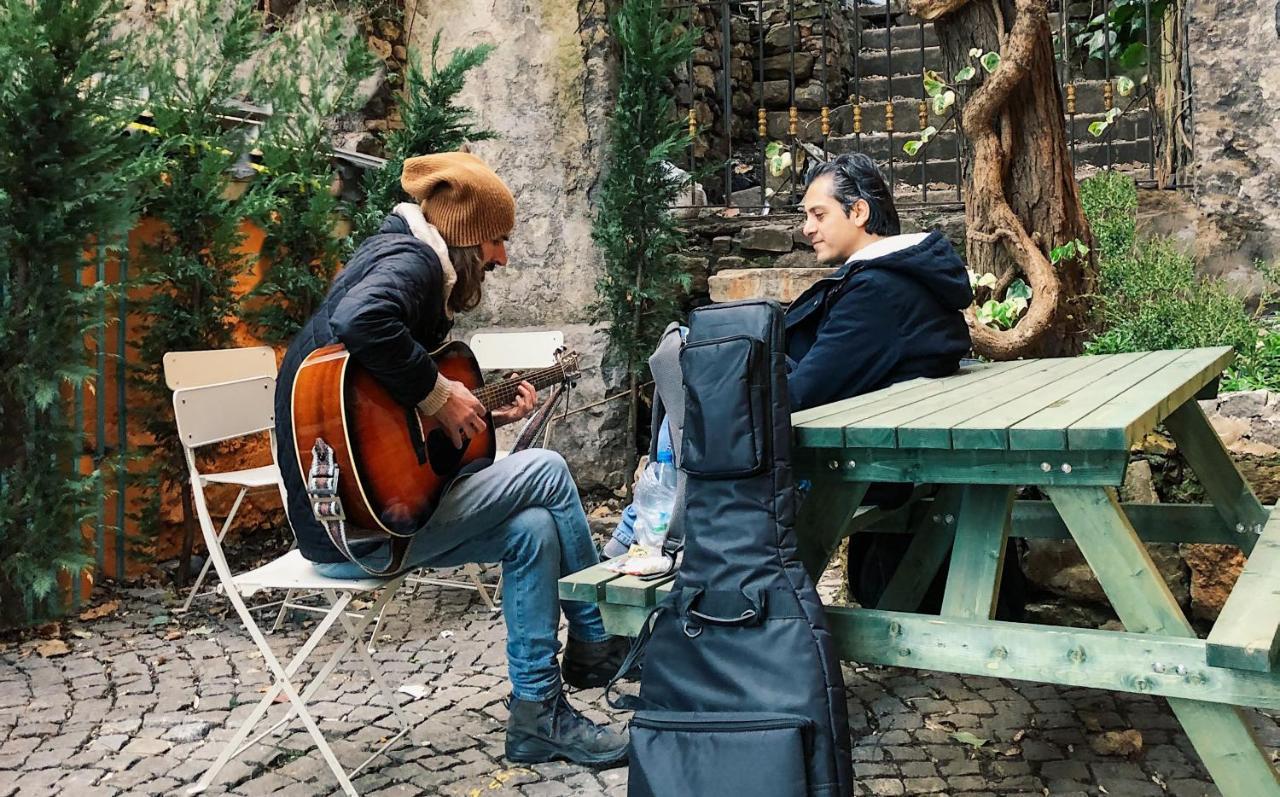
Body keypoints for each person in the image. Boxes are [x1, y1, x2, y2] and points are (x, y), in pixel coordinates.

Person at [273, 151, 629, 768]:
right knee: (546, 471)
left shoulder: (391, 259)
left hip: (365, 518)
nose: (502, 258)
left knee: (533, 529)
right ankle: (597, 640)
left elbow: (388, 432)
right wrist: (440, 394)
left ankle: (537, 715)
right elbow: (364, 324)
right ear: (464, 238)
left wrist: (476, 413)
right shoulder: (409, 263)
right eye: (496, 240)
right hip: (355, 533)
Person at [605, 154, 1011, 610]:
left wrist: (739, 367)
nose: (807, 228)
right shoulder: (895, 280)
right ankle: (634, 548)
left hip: (845, 466)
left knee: (691, 370)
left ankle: (625, 567)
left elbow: (802, 396)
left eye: (819, 214)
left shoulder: (878, 294)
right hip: (866, 450)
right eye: (805, 216)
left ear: (858, 212)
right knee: (695, 369)